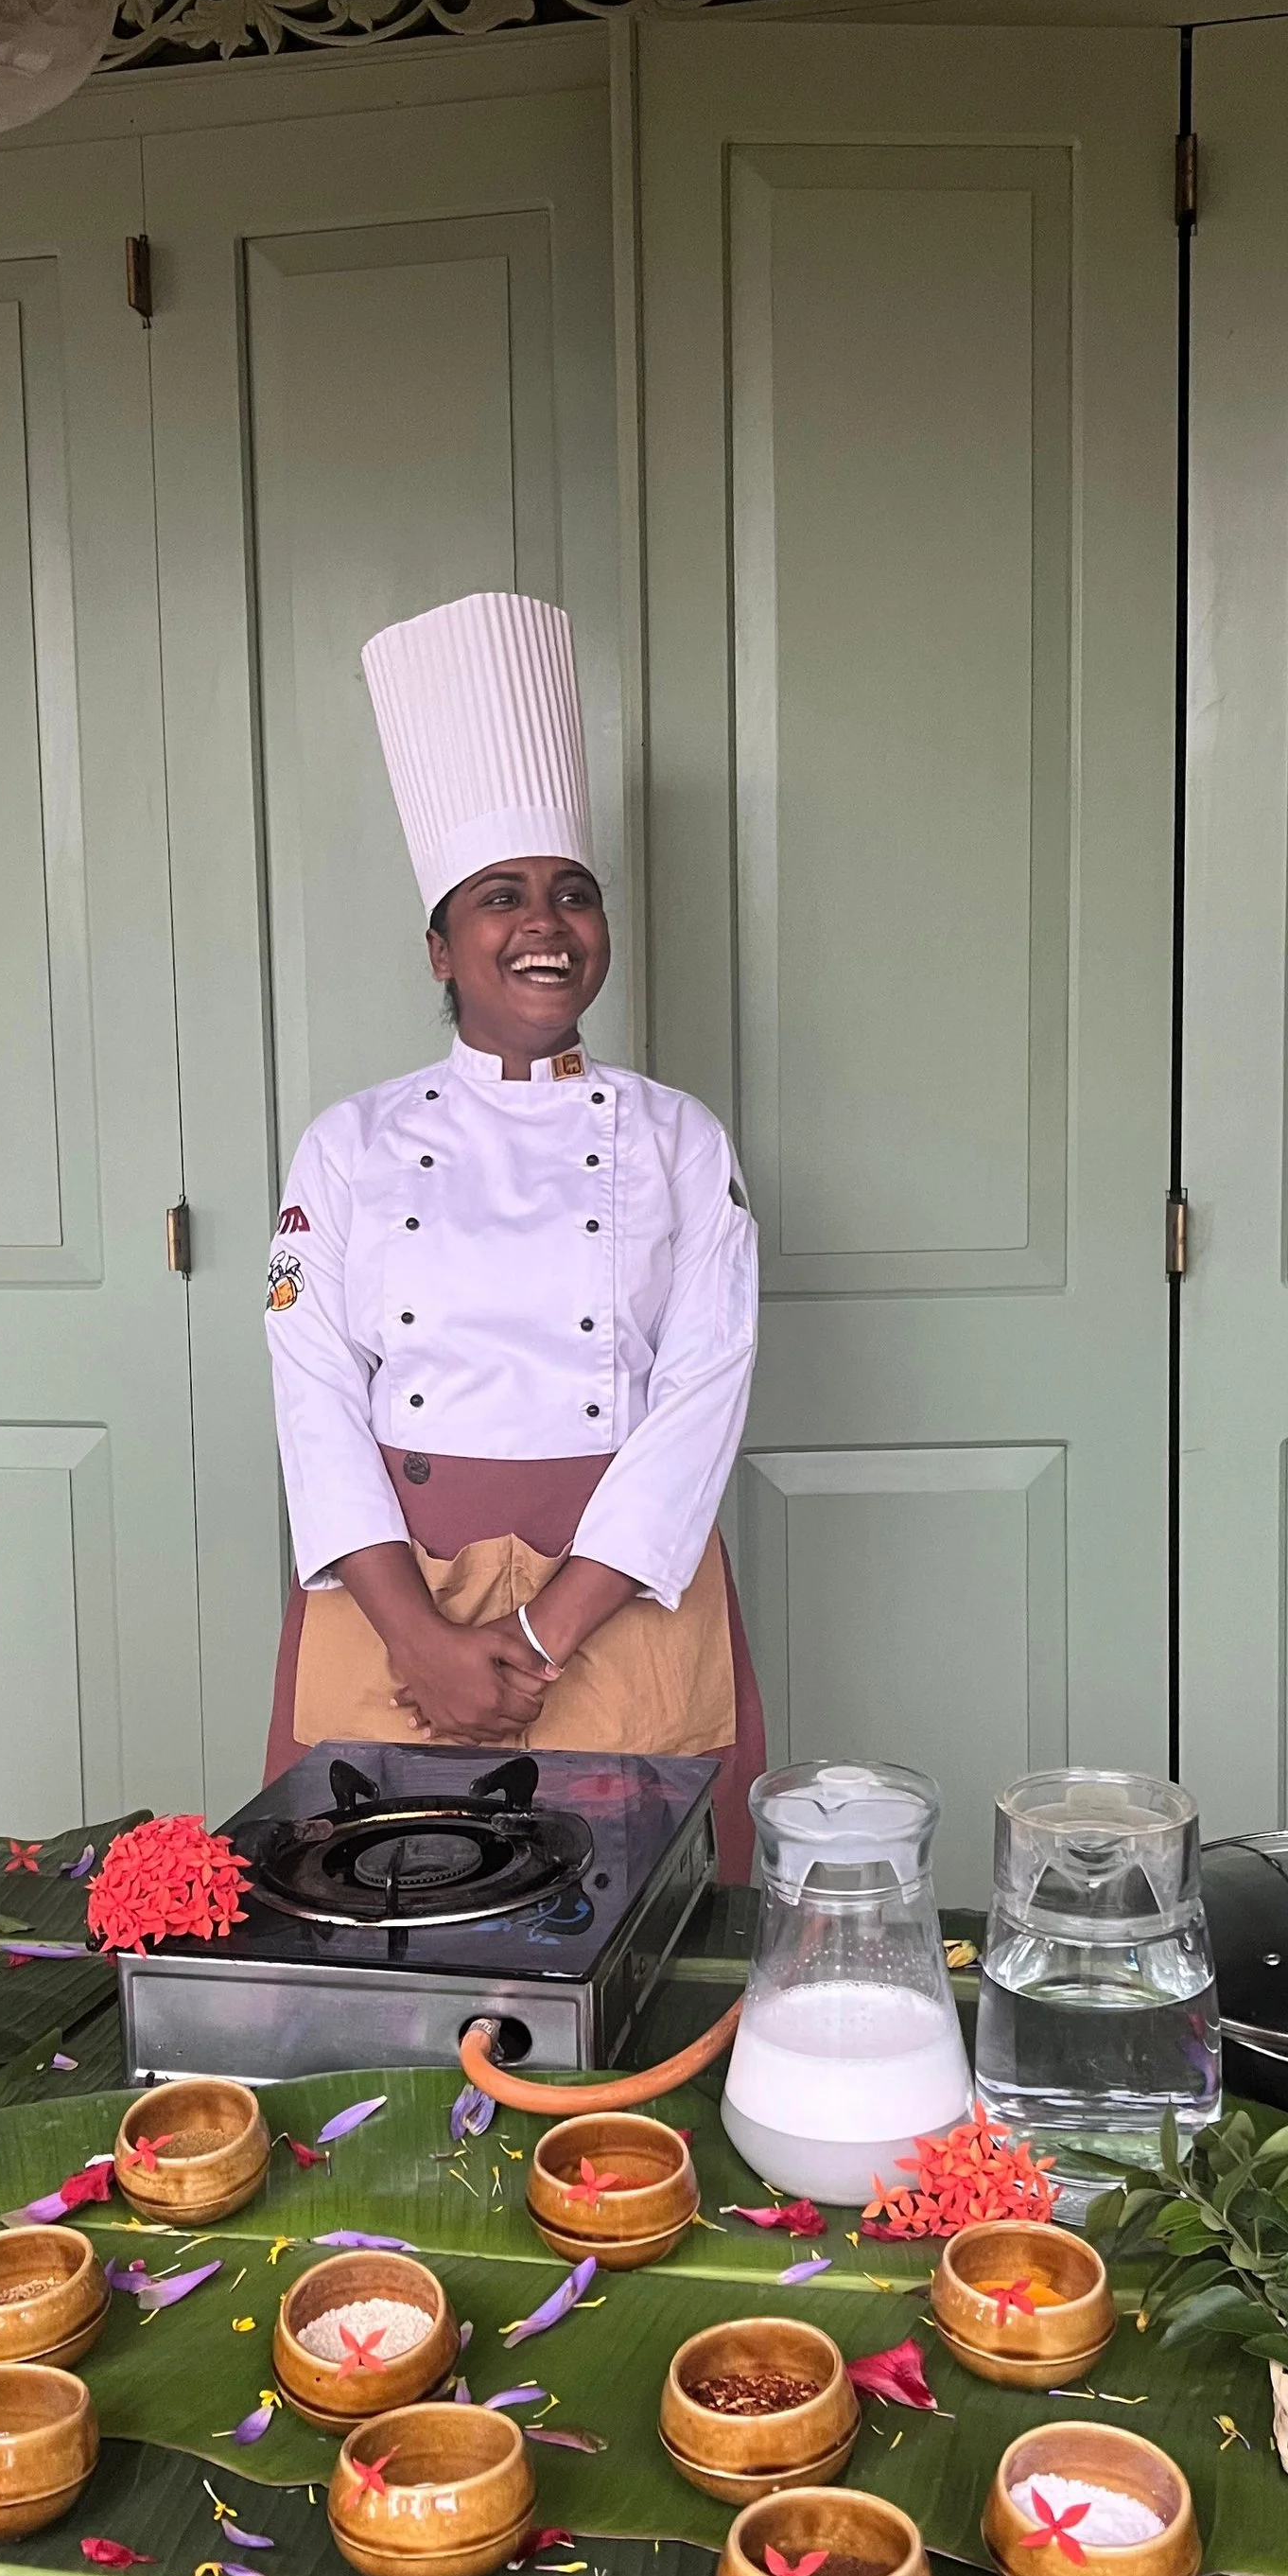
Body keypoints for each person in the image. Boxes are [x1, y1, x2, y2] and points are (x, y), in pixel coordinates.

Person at [262, 590, 766, 1875]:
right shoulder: (350, 1142)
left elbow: (703, 1393)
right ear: (440, 945)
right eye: (501, 896)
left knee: (632, 1916)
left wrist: (547, 1636)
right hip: (397, 1591)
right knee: (378, 1900)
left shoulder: (678, 1138)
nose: (545, 922)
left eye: (572, 893)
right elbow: (315, 1389)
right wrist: (418, 1640)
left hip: (615, 1592)